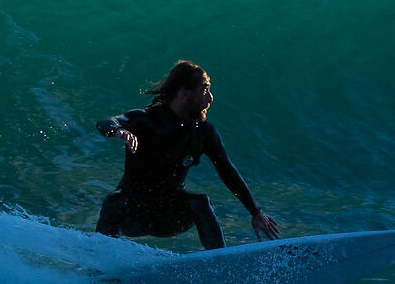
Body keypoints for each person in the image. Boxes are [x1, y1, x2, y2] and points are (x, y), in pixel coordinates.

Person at [95, 61, 280, 250]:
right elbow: (107, 122)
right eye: (205, 90)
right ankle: (100, 263)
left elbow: (227, 171)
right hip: (133, 213)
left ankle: (220, 260)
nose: (210, 98)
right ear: (185, 93)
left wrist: (256, 212)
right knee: (113, 201)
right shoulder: (146, 120)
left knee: (200, 203)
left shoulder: (203, 132)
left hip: (169, 214)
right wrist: (118, 131)